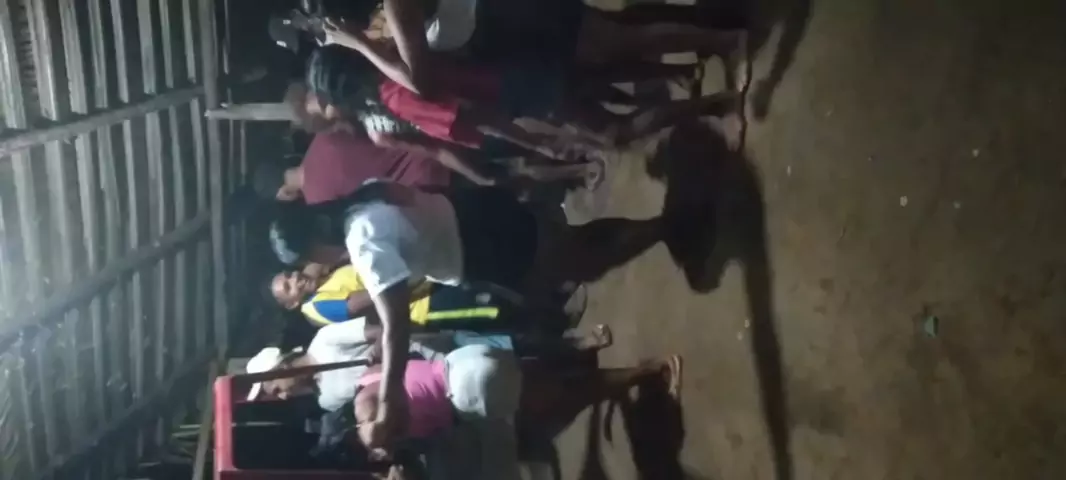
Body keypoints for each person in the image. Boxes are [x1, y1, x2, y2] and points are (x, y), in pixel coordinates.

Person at [270, 179, 670, 447]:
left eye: (305, 260)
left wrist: (390, 396)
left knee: (576, 258)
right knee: (573, 249)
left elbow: (394, 323)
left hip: (478, 247)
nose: (313, 266)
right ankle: (661, 227)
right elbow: (421, 192)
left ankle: (666, 226)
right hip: (472, 212)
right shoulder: (365, 194)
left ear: (311, 245)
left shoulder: (362, 243)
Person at [302, 44, 741, 161]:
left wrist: (537, 143)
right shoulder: (395, 56)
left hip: (519, 92)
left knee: (614, 133)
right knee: (601, 73)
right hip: (512, 63)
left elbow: (476, 118)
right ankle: (684, 70)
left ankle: (718, 103)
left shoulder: (395, 96)